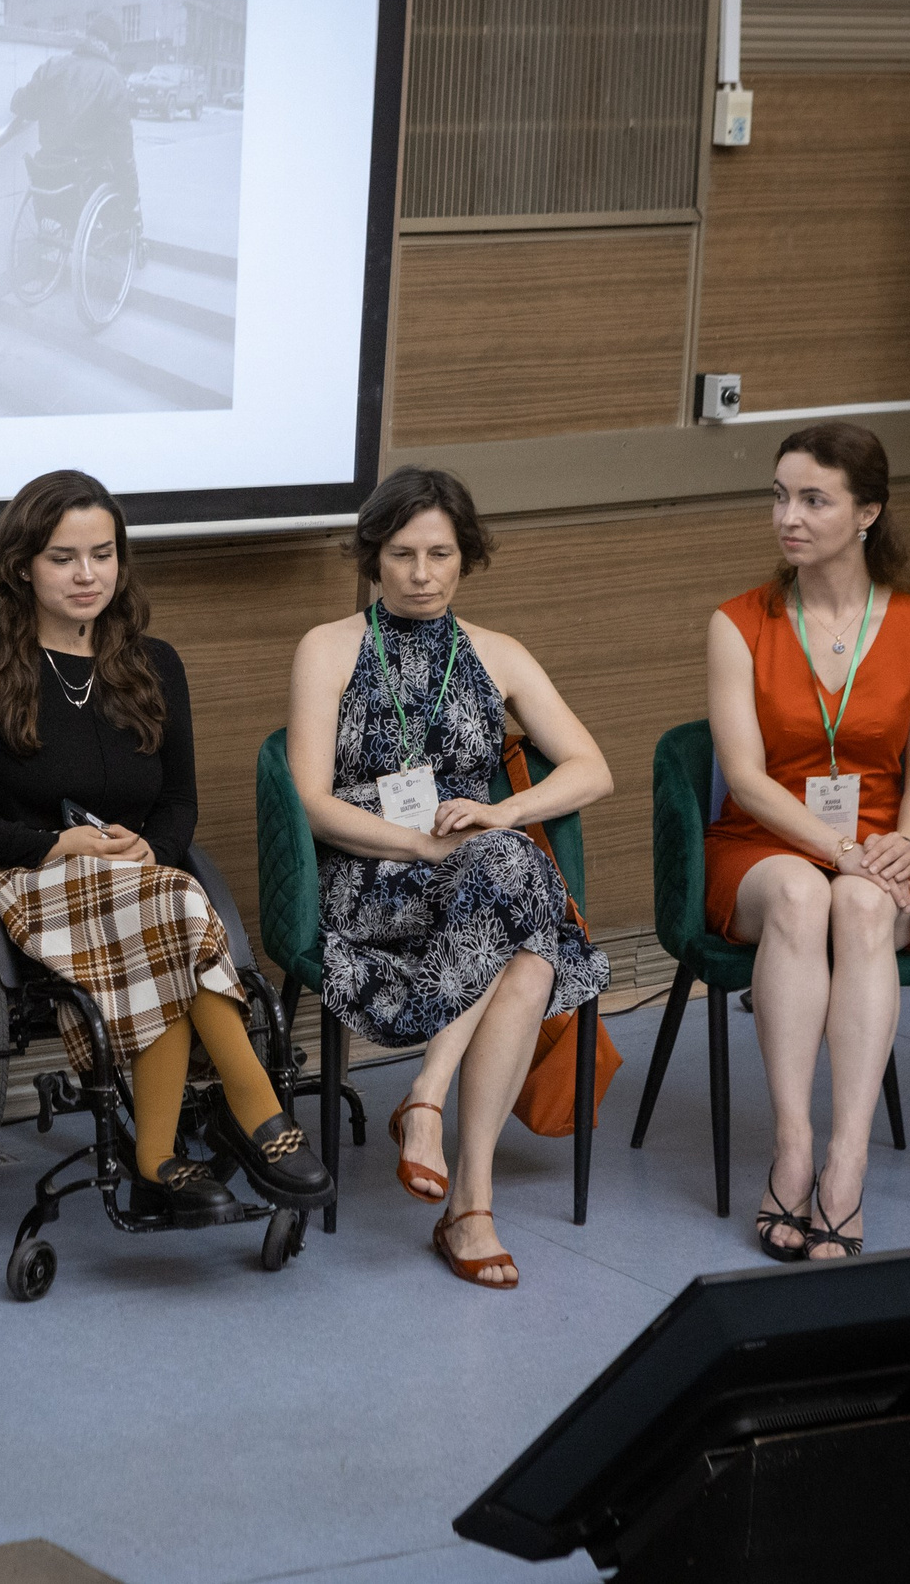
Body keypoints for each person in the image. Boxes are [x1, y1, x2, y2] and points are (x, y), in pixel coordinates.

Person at [0, 471, 333, 1224]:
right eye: (63, 557)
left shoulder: (153, 664)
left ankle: (158, 1159)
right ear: (21, 566)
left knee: (164, 903)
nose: (86, 575)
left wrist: (153, 850)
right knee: (173, 911)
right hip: (24, 876)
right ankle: (258, 1112)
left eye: (102, 555)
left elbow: (179, 801)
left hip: (141, 886)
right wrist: (56, 844)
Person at [285, 467, 611, 1289]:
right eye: (402, 555)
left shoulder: (499, 655)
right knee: (527, 925)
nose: (422, 573)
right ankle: (446, 1160)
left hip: (471, 873)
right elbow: (312, 803)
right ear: (374, 557)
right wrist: (413, 844)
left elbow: (592, 769)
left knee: (513, 885)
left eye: (440, 554)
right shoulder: (329, 647)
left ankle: (463, 1178)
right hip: (367, 884)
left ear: (466, 557)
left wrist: (503, 810)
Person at [704, 422, 910, 1262]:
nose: (790, 516)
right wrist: (835, 847)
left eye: (814, 499)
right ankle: (792, 1146)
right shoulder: (739, 622)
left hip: (882, 850)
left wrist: (906, 847)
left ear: (868, 513)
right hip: (762, 845)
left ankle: (846, 1162)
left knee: (854, 901)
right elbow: (743, 777)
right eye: (780, 495)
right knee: (806, 889)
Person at [10, 13, 139, 213]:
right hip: (82, 183)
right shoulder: (113, 79)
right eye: (116, 54)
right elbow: (123, 152)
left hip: (45, 174)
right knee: (116, 179)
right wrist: (131, 197)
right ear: (108, 47)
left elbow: (20, 105)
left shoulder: (53, 65)